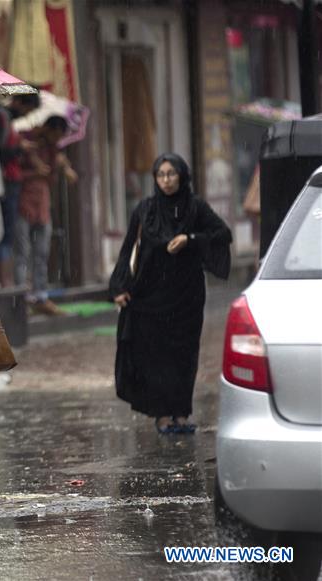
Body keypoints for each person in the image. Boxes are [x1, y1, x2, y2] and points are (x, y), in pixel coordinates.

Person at [110, 153, 232, 434]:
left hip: (186, 296)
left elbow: (222, 233)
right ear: (155, 178)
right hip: (151, 295)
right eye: (161, 175)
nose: (166, 180)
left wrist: (190, 240)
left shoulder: (195, 207)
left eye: (171, 174)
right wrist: (119, 286)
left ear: (182, 176)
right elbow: (129, 249)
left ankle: (181, 413)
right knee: (156, 355)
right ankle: (162, 414)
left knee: (184, 354)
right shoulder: (145, 210)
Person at [17, 115, 78, 316]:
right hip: (24, 201)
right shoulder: (26, 142)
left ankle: (41, 296)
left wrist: (63, 166)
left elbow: (54, 172)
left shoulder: (53, 150)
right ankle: (21, 299)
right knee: (23, 253)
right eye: (56, 135)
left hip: (42, 203)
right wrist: (36, 171)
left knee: (42, 252)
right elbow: (15, 173)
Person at [0, 93, 40, 288]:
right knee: (5, 233)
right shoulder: (1, 118)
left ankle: (7, 280)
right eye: (27, 109)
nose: (26, 115)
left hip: (11, 182)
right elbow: (0, 153)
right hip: (5, 183)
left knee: (7, 233)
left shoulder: (8, 120)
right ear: (19, 103)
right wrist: (19, 148)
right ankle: (5, 281)